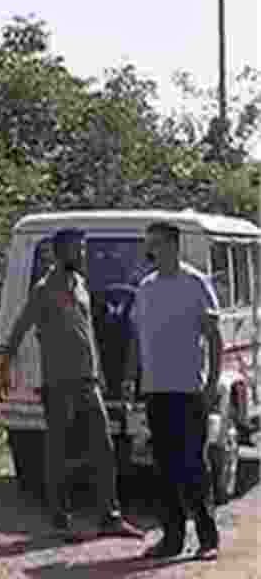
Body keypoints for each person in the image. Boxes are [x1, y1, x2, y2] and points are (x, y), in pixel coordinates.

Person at [0, 228, 144, 541]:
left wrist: (100, 375)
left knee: (103, 447)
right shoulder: (44, 289)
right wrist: (3, 366)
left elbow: (86, 334)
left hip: (88, 381)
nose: (83, 255)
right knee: (58, 453)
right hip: (58, 383)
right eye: (77, 250)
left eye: (83, 249)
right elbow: (20, 327)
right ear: (60, 252)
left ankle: (110, 517)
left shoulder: (81, 286)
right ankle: (60, 520)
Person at [128, 221, 223, 561]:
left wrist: (212, 383)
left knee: (193, 466)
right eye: (148, 243)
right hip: (156, 391)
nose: (149, 250)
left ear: (173, 246)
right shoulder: (146, 287)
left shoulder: (196, 283)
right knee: (164, 468)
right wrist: (132, 380)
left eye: (155, 244)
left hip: (188, 390)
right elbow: (137, 339)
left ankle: (208, 538)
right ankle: (171, 539)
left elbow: (214, 338)